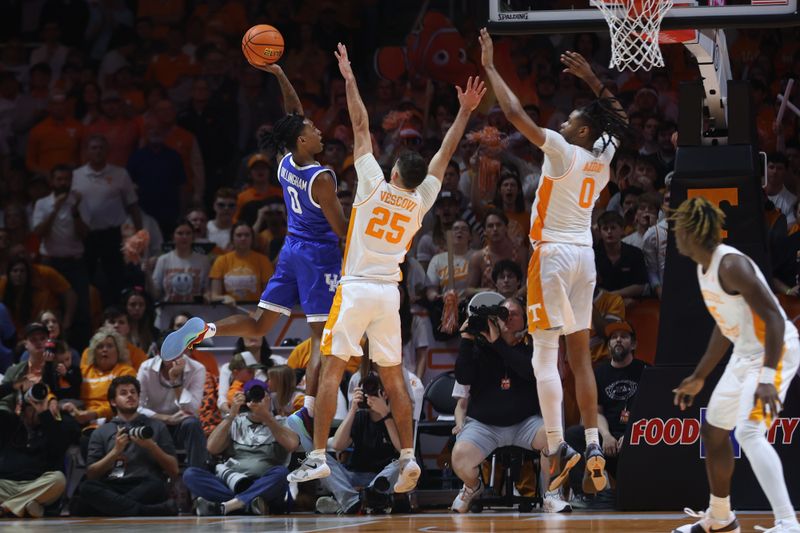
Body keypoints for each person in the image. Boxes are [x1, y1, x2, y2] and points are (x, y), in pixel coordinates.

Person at [284, 44, 485, 494]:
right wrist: (464, 112)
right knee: (394, 375)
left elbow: (359, 124)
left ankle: (317, 456)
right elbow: (445, 154)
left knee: (334, 367)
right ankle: (409, 457)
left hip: (355, 289)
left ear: (393, 171)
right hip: (388, 295)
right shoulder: (421, 199)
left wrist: (350, 77)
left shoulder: (373, 183)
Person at [161, 62, 347, 443]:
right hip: (317, 256)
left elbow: (293, 115)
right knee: (318, 339)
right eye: (313, 131)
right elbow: (342, 230)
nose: (319, 130)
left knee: (261, 324)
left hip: (290, 250)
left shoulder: (283, 165)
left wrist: (281, 75)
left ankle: (209, 329)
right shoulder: (323, 178)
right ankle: (310, 413)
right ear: (301, 142)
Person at [479, 30, 633, 493]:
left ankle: (556, 444)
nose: (563, 123)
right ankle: (589, 442)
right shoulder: (600, 160)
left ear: (582, 131)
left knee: (544, 355)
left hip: (552, 256)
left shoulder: (564, 152)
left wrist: (489, 67)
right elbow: (619, 121)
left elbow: (513, 114)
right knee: (581, 357)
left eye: (571, 120)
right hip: (585, 258)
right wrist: (591, 79)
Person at [669, 197, 800, 533]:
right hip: (745, 355)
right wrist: (699, 376)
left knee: (750, 431)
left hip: (777, 350)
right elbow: (723, 327)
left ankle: (788, 522)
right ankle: (721, 518)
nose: (675, 232)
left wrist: (768, 378)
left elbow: (773, 317)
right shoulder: (703, 267)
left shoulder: (730, 265)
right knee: (714, 432)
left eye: (678, 226)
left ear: (691, 232)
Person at [451, 297, 569, 513]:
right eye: (505, 313)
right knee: (459, 455)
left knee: (553, 438)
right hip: (484, 425)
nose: (510, 317)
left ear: (525, 320)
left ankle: (551, 494)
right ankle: (472, 487)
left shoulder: (533, 347)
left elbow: (529, 371)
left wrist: (499, 344)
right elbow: (463, 376)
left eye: (516, 313)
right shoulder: (479, 347)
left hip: (525, 424)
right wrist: (467, 339)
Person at [184, 379, 296, 516]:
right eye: (251, 396)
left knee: (281, 473)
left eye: (260, 396)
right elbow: (212, 448)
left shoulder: (282, 422)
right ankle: (246, 504)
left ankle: (231, 505)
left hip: (264, 483)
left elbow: (292, 445)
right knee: (191, 474)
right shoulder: (235, 421)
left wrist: (267, 417)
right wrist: (231, 414)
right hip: (233, 481)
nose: (255, 400)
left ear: (268, 399)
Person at [71, 376, 179, 516]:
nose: (130, 395)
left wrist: (152, 446)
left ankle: (111, 509)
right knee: (86, 487)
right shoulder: (101, 431)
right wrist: (115, 452)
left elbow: (174, 471)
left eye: (133, 392)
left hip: (145, 485)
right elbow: (92, 474)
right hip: (113, 485)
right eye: (123, 393)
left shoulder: (157, 426)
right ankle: (146, 511)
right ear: (113, 402)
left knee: (157, 485)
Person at [565, 321, 646, 496]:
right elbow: (596, 411)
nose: (618, 340)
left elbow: (652, 411)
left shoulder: (646, 371)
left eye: (623, 337)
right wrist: (606, 435)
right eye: (613, 337)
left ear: (633, 344)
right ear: (608, 344)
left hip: (637, 437)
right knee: (573, 434)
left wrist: (632, 434)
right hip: (607, 438)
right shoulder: (599, 373)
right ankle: (583, 495)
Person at [314, 374, 403, 515]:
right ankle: (358, 500)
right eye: (366, 391)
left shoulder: (397, 417)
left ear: (385, 394)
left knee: (403, 462)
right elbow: (337, 445)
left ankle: (352, 500)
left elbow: (403, 449)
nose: (370, 395)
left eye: (375, 391)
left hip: (382, 478)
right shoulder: (360, 416)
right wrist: (353, 409)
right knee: (318, 457)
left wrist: (385, 414)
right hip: (354, 475)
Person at [0, 381, 79, 518]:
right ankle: (28, 506)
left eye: (39, 407)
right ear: (22, 408)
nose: (36, 411)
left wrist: (45, 414)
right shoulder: (9, 422)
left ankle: (7, 507)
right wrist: (13, 386)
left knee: (59, 479)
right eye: (31, 407)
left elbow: (58, 448)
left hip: (38, 484)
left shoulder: (52, 426)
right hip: (7, 485)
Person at [136, 341, 208, 469]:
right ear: (158, 354)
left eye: (179, 350)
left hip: (181, 423)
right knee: (139, 423)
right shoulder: (146, 368)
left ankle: (197, 475)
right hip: (154, 422)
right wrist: (165, 418)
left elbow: (192, 409)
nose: (176, 356)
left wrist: (175, 381)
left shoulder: (197, 368)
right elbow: (137, 407)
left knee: (192, 423)